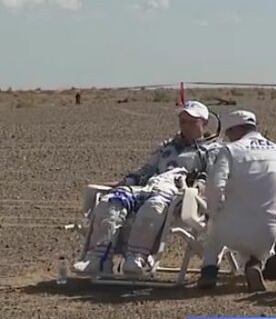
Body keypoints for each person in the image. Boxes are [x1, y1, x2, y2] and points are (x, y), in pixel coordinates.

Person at [73, 100, 219, 276]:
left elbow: (212, 180)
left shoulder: (212, 151)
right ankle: (98, 259)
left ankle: (137, 258)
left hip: (179, 194)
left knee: (154, 206)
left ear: (204, 123)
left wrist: (194, 188)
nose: (186, 126)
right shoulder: (167, 147)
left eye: (192, 122)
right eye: (183, 122)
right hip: (150, 186)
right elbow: (146, 171)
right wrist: (120, 183)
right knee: (112, 201)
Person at [198, 110, 276, 292]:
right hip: (269, 233)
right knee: (254, 237)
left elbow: (215, 187)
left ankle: (209, 270)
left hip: (232, 231)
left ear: (233, 130)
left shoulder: (230, 150)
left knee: (214, 226)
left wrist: (212, 211)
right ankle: (253, 263)